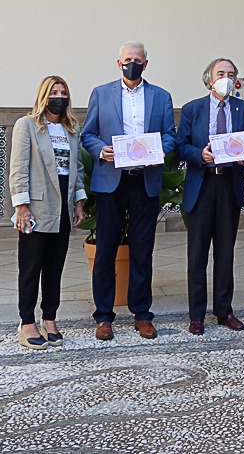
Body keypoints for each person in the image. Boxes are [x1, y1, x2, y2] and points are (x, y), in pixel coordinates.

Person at [81, 41, 176, 341]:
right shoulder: (101, 93)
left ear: (146, 64)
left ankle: (142, 314)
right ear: (118, 62)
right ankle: (104, 316)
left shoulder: (161, 96)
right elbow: (88, 135)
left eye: (137, 59)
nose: (132, 63)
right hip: (111, 181)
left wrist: (158, 149)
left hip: (144, 181)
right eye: (127, 59)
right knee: (106, 249)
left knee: (142, 250)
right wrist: (102, 151)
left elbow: (171, 137)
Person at [176, 58, 244, 335]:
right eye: (221, 73)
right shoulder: (192, 109)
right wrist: (199, 155)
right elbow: (179, 146)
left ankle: (224, 310)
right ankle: (196, 315)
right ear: (209, 78)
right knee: (197, 254)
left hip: (229, 185)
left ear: (237, 82)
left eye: (231, 74)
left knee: (225, 252)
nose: (226, 78)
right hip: (202, 184)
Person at [9, 76, 87, 349]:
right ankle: (27, 321)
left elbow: (76, 170)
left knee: (55, 267)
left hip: (63, 206)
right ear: (44, 95)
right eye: (54, 92)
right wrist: (21, 206)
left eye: (63, 92)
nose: (59, 96)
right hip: (37, 206)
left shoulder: (70, 129)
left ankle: (50, 319)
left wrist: (79, 202)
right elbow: (18, 168)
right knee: (31, 267)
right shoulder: (27, 125)